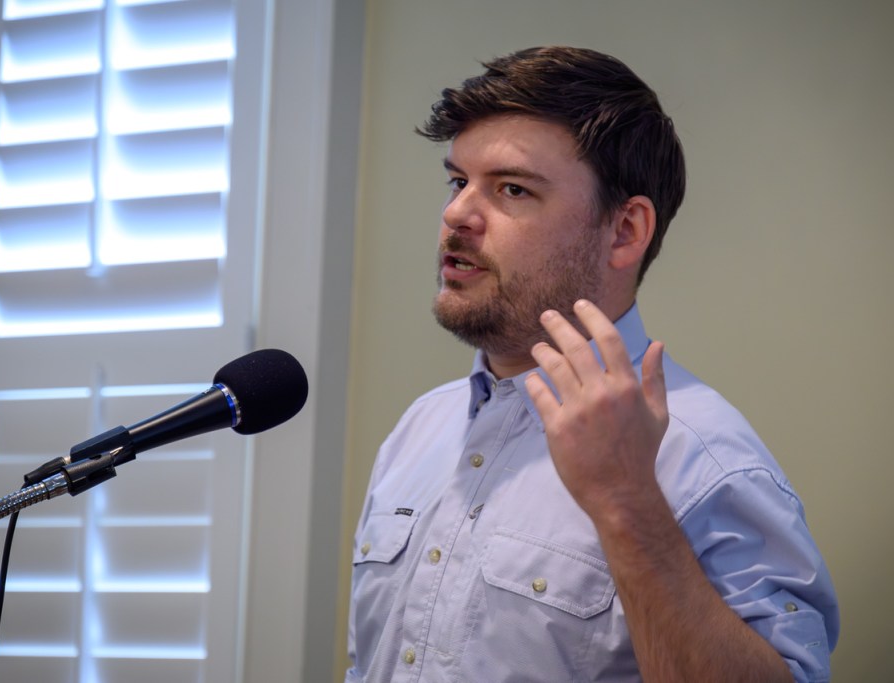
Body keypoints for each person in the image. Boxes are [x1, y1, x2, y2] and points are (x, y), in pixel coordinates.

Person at [346, 46, 839, 682]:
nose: (456, 214)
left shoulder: (705, 458)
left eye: (512, 189)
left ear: (625, 231)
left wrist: (627, 501)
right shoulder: (420, 428)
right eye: (457, 181)